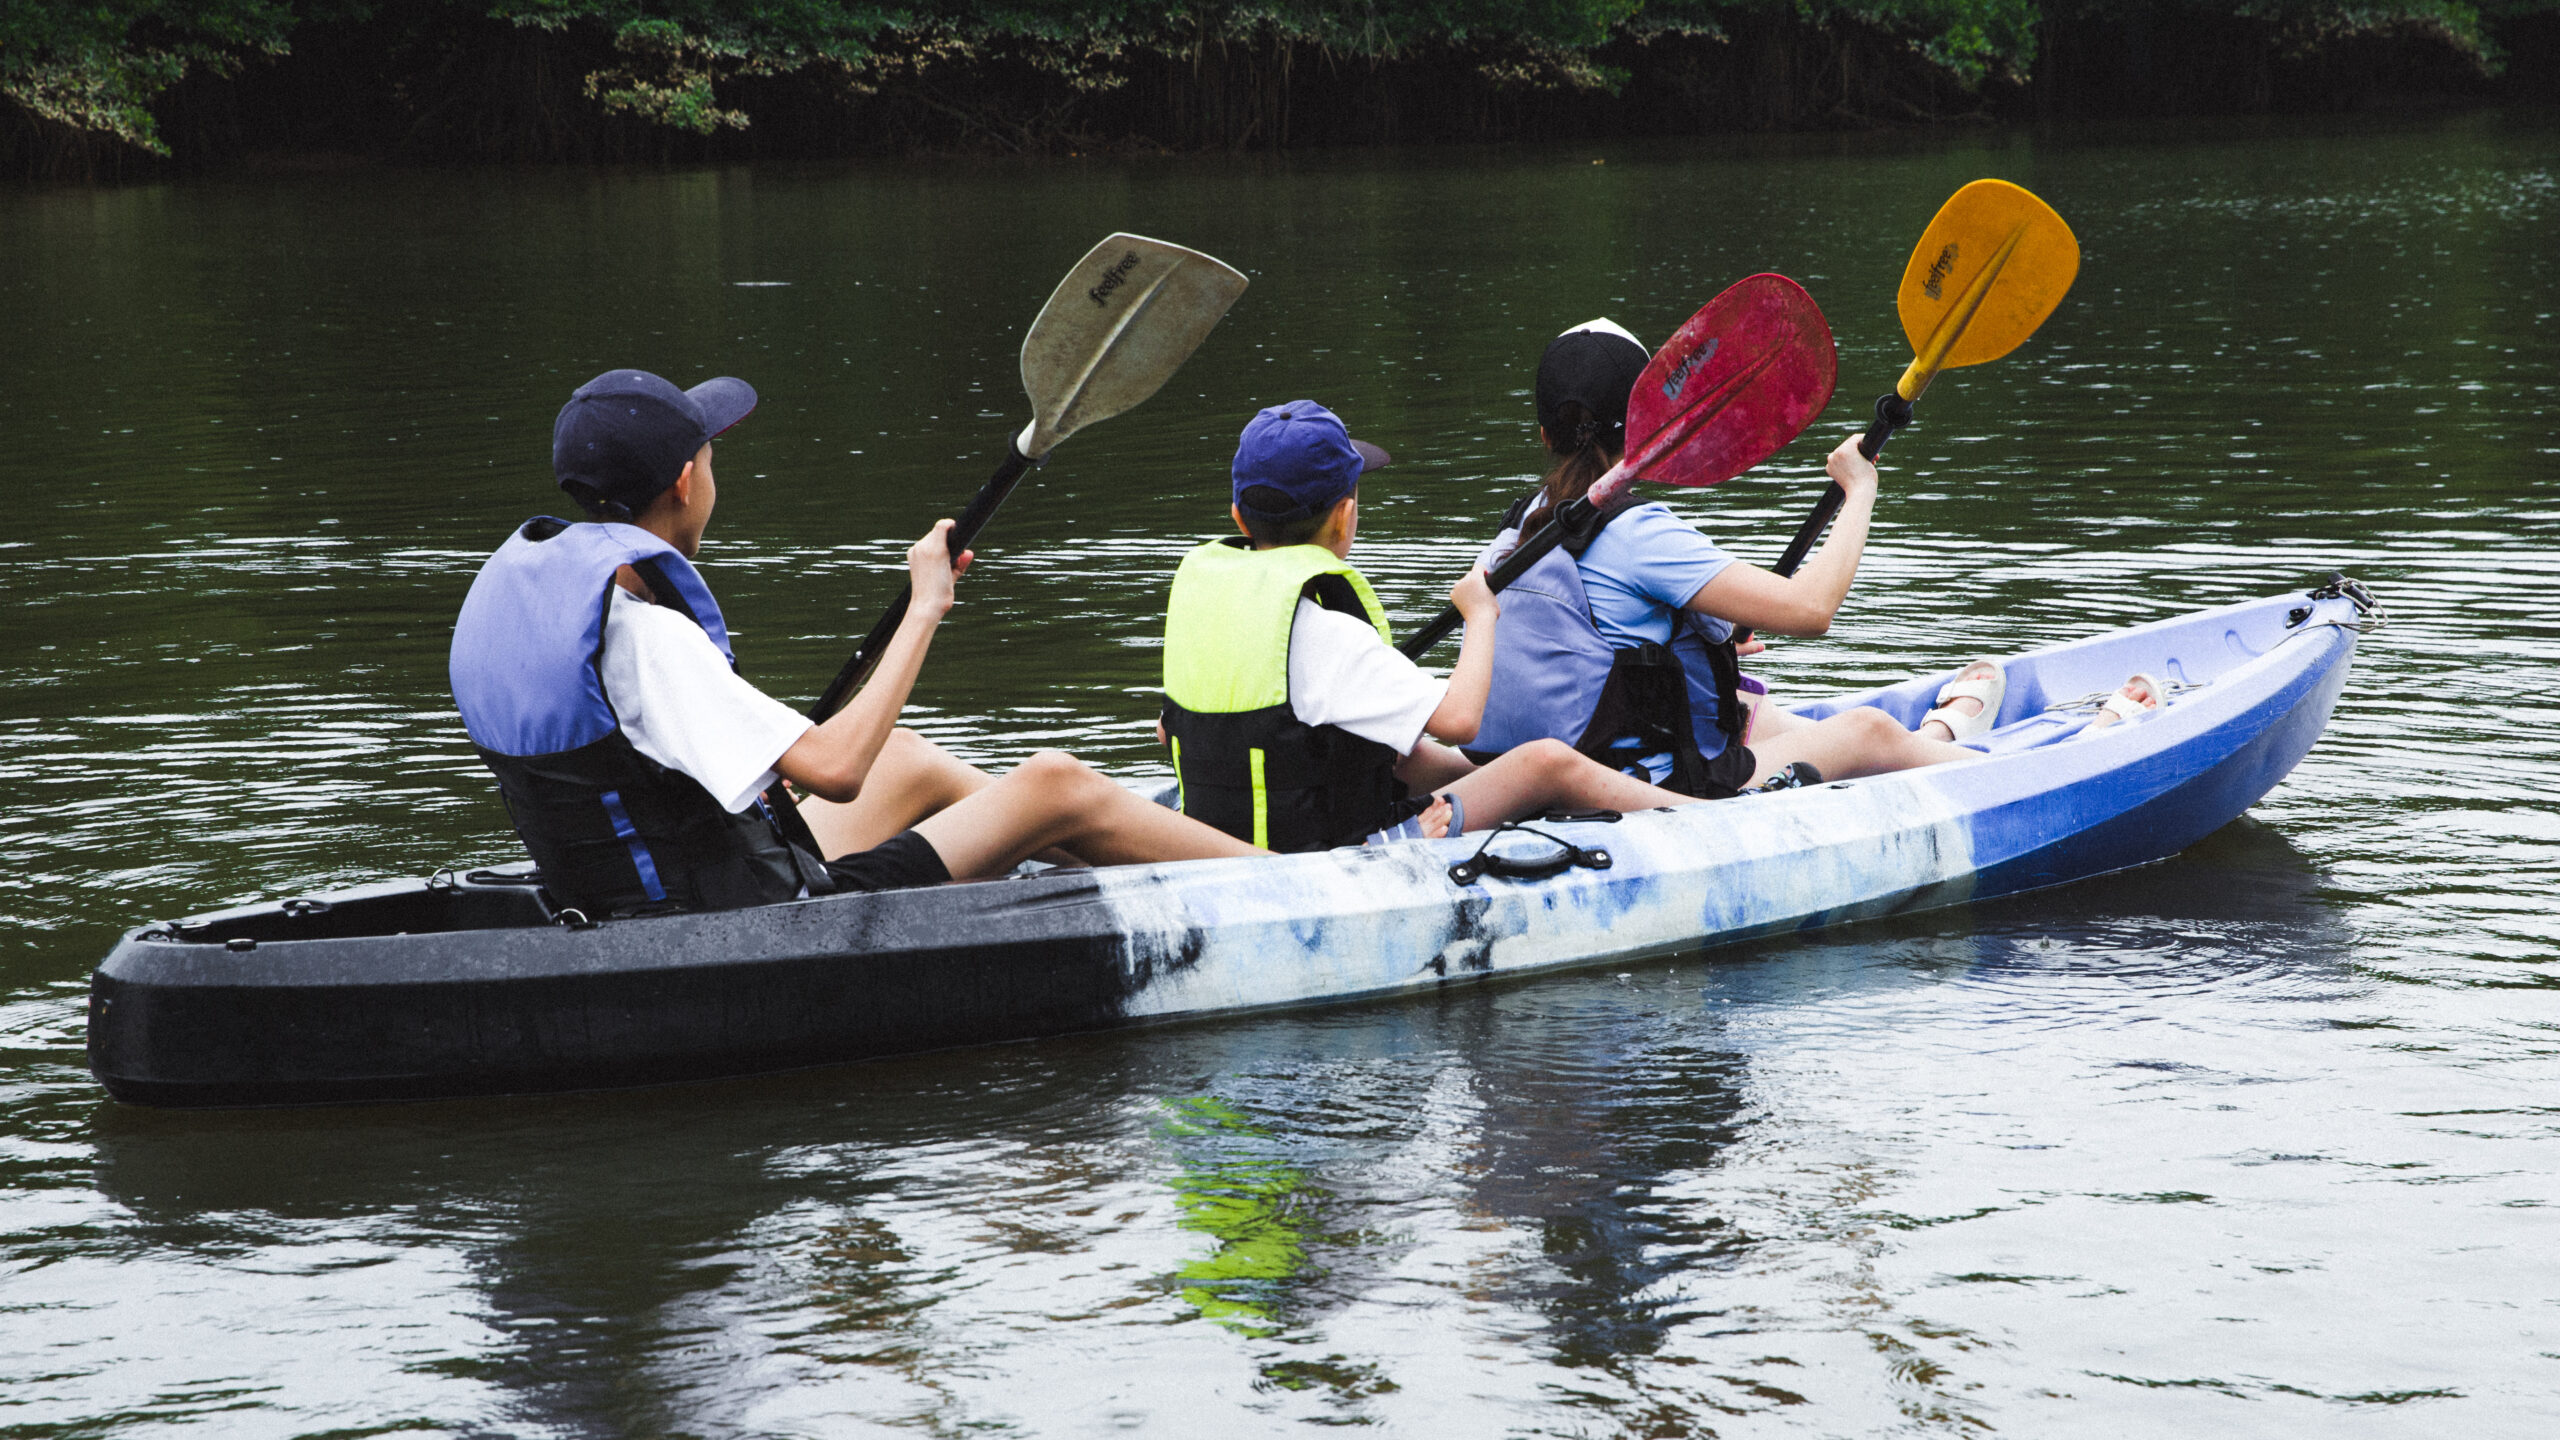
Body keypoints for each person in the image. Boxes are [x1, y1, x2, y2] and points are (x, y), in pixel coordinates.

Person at [448, 368, 1259, 917]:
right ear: (687, 482)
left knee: (905, 756)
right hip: (756, 928)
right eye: (711, 453)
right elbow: (836, 774)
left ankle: (1105, 861)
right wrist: (925, 609)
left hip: (660, 893)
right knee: (1055, 782)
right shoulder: (649, 642)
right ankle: (1289, 885)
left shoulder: (567, 609)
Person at [1155, 400, 1705, 853]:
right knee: (1547, 761)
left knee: (1398, 753)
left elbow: (1168, 730)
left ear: (1237, 516)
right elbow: (1461, 720)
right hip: (1326, 858)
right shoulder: (1327, 633)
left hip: (1227, 825)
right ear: (1346, 516)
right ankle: (1720, 822)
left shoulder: (1208, 608)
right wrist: (1481, 613)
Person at [1467, 319, 1990, 793]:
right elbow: (1812, 610)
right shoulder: (1640, 532)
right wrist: (1858, 490)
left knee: (1751, 712)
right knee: (1867, 731)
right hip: (1644, 786)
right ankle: (1977, 762)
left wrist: (1679, 656)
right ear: (1651, 427)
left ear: (1544, 434)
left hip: (1535, 768)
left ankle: (1937, 740)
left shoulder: (1516, 530)